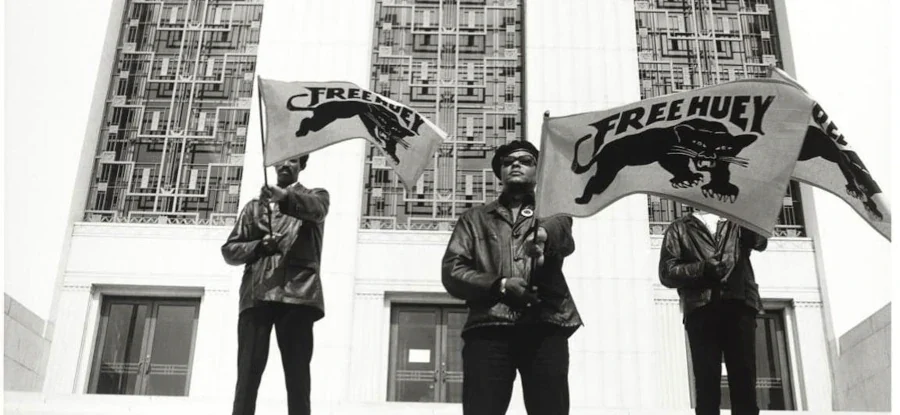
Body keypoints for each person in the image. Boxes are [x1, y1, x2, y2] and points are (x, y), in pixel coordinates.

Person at [442, 140, 583, 415]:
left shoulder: (554, 213)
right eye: (508, 162)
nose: (516, 164)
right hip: (489, 327)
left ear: (537, 171)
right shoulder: (474, 218)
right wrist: (500, 285)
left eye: (525, 160)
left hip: (545, 323)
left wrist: (541, 237)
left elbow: (563, 237)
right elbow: (452, 271)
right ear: (500, 172)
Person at [221, 155, 329, 415]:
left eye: (292, 161)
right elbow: (230, 250)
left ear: (301, 165)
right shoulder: (253, 208)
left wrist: (283, 197)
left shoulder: (315, 196)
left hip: (297, 295)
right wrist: (259, 247)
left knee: (297, 378)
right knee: (247, 376)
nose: (284, 165)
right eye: (279, 161)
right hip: (257, 295)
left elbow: (317, 209)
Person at [658, 209, 768, 415]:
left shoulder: (738, 221)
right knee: (706, 384)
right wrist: (702, 269)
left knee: (744, 383)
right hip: (701, 309)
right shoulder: (679, 228)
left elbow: (760, 241)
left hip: (739, 305)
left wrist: (746, 214)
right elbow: (667, 272)